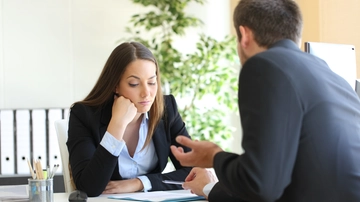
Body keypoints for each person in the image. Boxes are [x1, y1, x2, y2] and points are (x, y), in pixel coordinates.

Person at [170, 0, 360, 201]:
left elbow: (260, 185)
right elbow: (278, 180)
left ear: (244, 35)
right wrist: (211, 187)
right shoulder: (331, 75)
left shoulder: (263, 65)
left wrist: (215, 157)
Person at [67, 42, 192, 197]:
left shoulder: (167, 109)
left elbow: (193, 172)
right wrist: (117, 125)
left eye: (152, 82)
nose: (146, 93)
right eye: (134, 84)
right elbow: (88, 187)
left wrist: (139, 183)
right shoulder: (84, 115)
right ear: (115, 85)